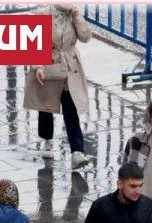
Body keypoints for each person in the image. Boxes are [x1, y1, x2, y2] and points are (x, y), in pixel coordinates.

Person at [23, 4, 92, 170]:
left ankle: (77, 152)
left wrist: (77, 16)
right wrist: (37, 66)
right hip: (49, 65)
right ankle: (47, 139)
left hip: (69, 68)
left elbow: (86, 37)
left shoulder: (74, 15)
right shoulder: (41, 14)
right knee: (47, 106)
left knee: (71, 109)